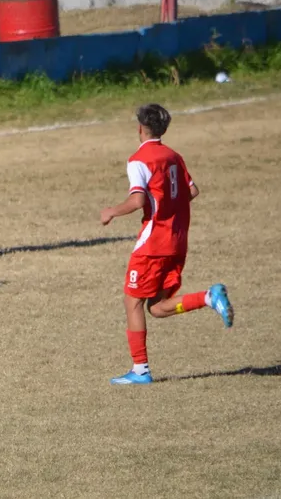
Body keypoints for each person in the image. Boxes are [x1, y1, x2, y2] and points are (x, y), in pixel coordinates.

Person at [101, 103, 234, 385]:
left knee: (132, 301)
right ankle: (208, 297)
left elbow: (137, 200)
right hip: (177, 242)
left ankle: (140, 371)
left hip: (154, 245)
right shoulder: (174, 156)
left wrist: (112, 211)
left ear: (140, 128)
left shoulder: (139, 159)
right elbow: (192, 191)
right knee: (158, 307)